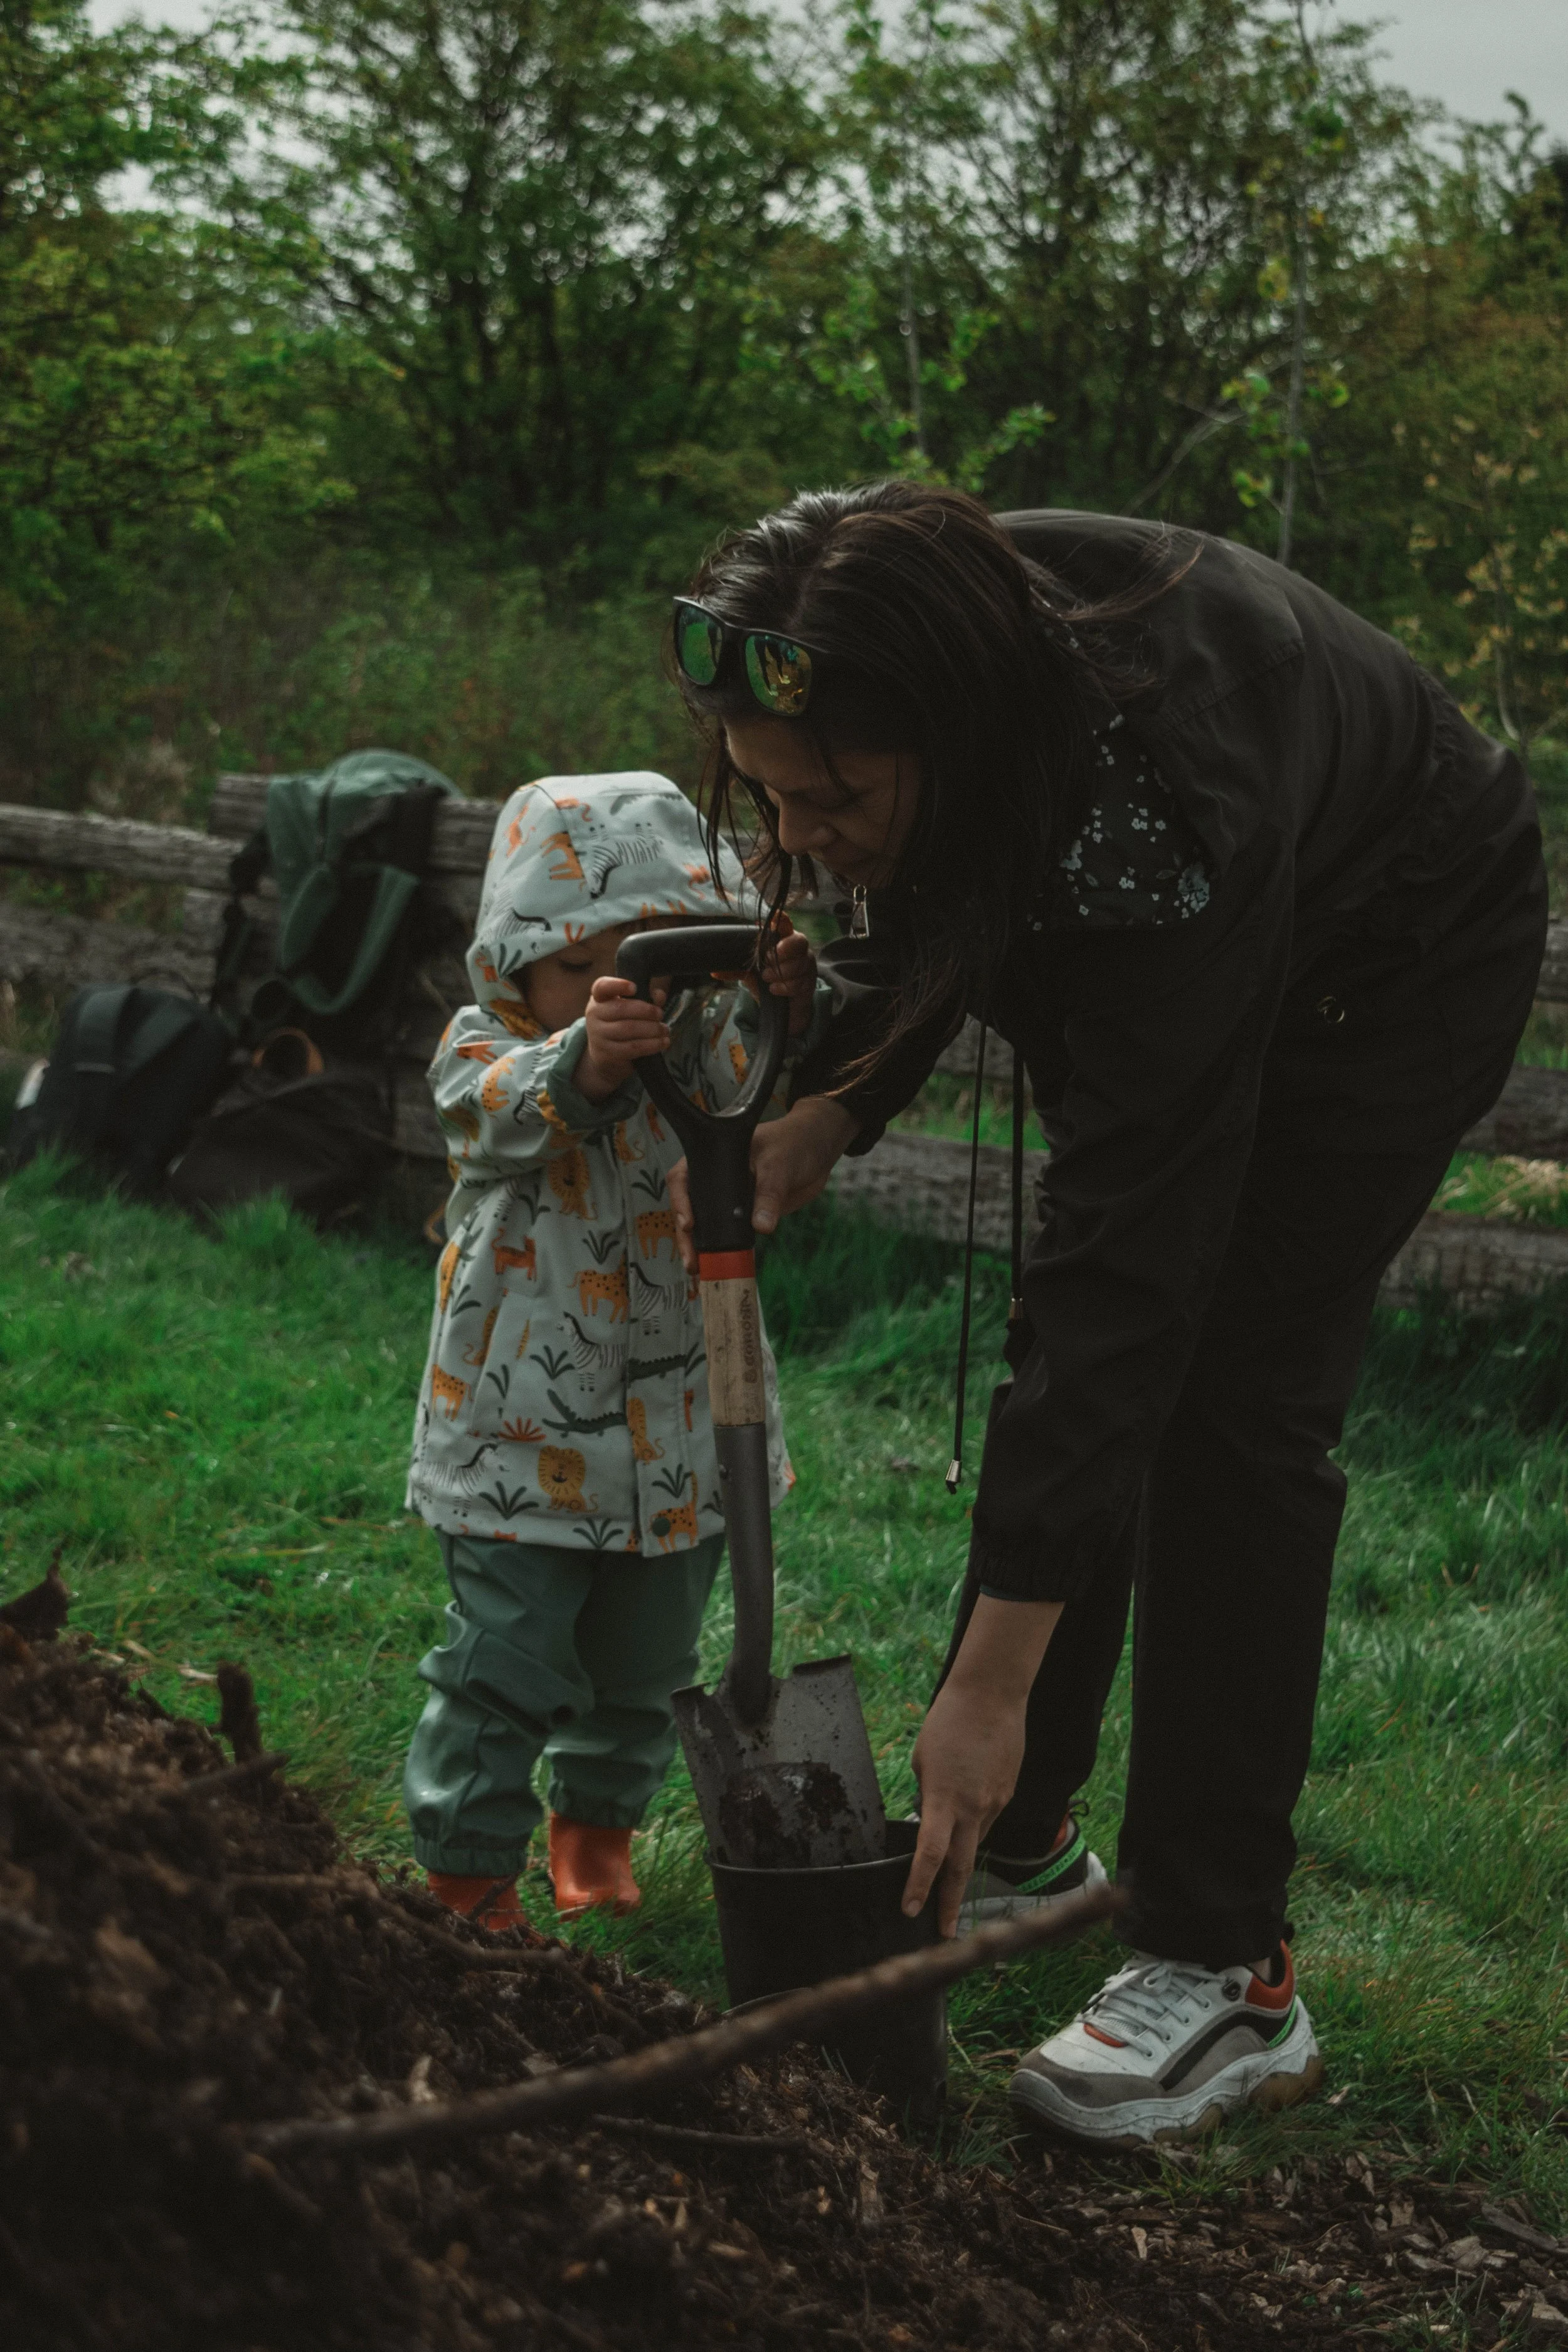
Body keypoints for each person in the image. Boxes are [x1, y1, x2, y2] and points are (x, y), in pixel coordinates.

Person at [664, 484, 1547, 2146]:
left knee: (1225, 1397)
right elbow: (926, 899)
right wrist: (832, 1104)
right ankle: (1018, 1844)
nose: (799, 837)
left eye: (831, 795)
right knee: (1100, 1362)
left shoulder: (1158, 800)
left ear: (954, 740)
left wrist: (981, 1680)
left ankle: (1223, 1961)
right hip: (1202, 891)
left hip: (1394, 948)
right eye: (769, 798)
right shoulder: (912, 651)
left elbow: (1123, 1268)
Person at [403, 769, 814, 1929]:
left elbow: (768, 1087)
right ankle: (469, 1859)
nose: (621, 993)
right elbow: (479, 1113)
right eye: (584, 970)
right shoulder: (487, 1043)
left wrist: (784, 995)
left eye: (651, 962)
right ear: (519, 962)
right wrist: (580, 1061)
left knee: (647, 1665)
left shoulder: (709, 1047)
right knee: (505, 1659)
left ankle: (596, 1828)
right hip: (519, 1437)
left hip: (687, 1423)